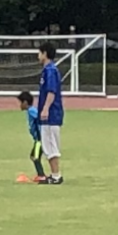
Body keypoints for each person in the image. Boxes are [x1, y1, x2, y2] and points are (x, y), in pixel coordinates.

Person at [33, 42, 66, 182]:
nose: (38, 55)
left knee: (51, 144)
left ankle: (56, 175)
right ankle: (53, 174)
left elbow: (51, 91)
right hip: (49, 114)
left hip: (51, 115)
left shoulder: (50, 71)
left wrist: (46, 108)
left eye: (39, 52)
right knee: (47, 144)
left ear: (45, 53)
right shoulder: (47, 70)